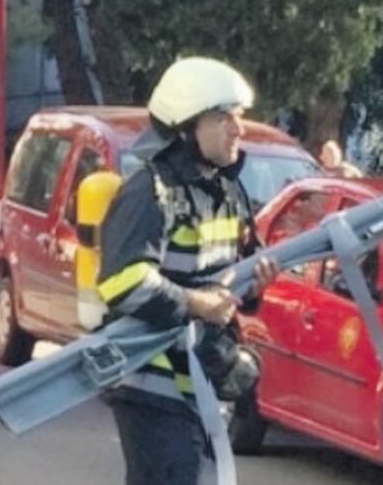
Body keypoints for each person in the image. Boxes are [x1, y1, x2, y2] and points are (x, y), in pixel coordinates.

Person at [97, 56, 279, 484]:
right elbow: (122, 282)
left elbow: (231, 279)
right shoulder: (150, 190)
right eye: (224, 118)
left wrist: (256, 283)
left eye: (238, 117)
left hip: (201, 384)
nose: (239, 129)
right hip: (152, 387)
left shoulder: (227, 190)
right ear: (187, 126)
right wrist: (197, 304)